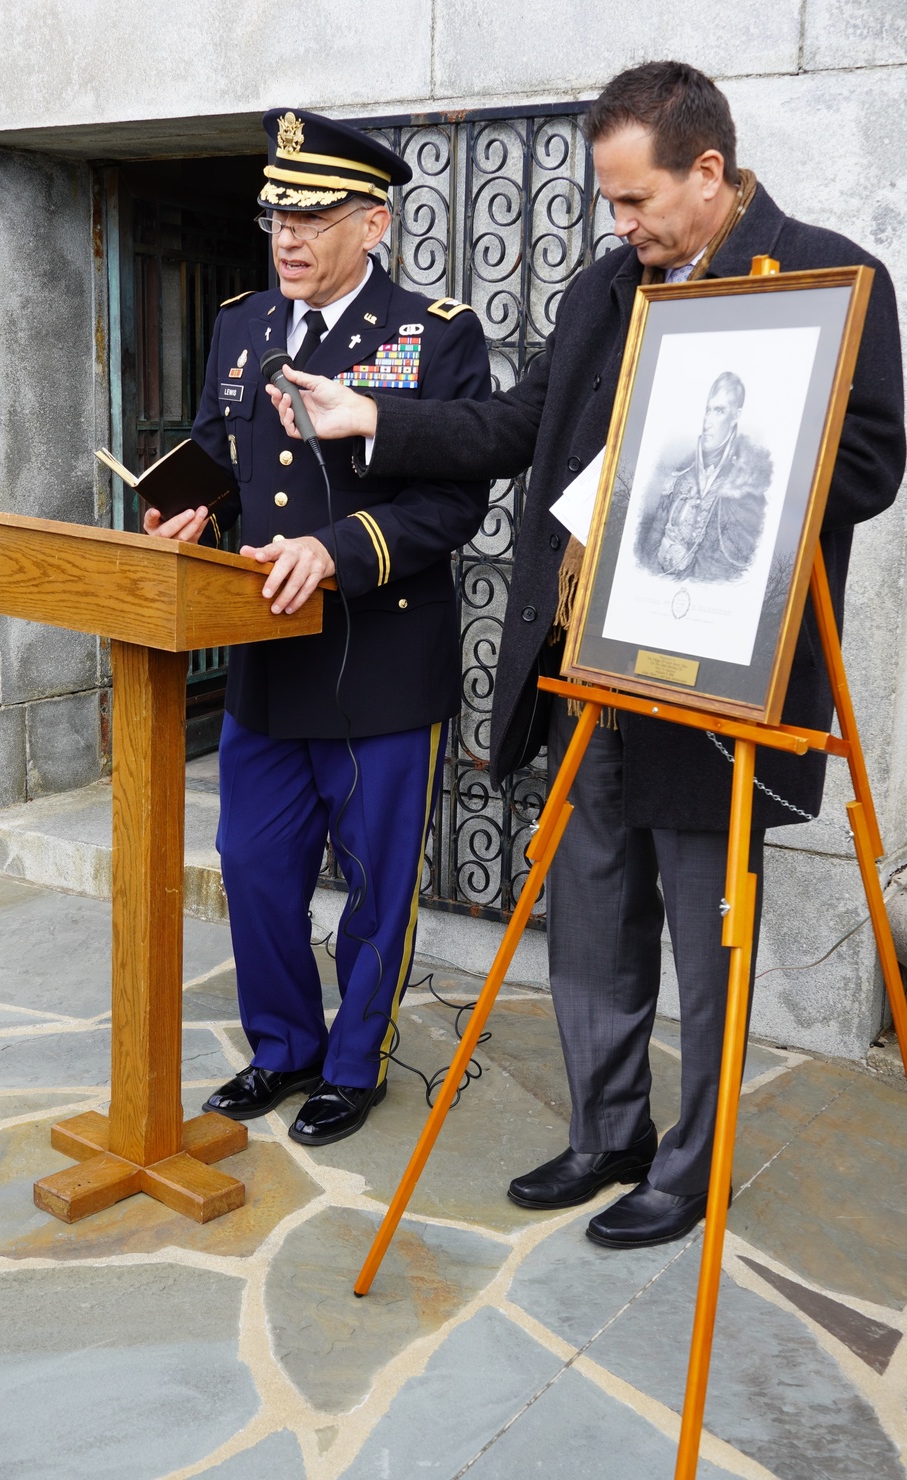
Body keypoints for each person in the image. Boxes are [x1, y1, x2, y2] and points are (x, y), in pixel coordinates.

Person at [267, 63, 905, 1240]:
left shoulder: (826, 278)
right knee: (593, 915)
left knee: (708, 946)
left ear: (707, 173)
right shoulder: (608, 286)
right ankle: (605, 1134)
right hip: (588, 662)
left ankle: (690, 1161)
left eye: (635, 201)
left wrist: (706, 471)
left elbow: (869, 464)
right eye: (608, 205)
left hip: (719, 675)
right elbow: (520, 424)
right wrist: (376, 420)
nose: (619, 227)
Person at [145, 108, 491, 1145]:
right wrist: (188, 502)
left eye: (313, 215)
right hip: (266, 659)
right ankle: (285, 1046)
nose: (286, 237)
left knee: (378, 885)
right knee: (253, 866)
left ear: (373, 224)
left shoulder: (434, 332)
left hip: (382, 660)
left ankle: (352, 1063)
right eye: (273, 214)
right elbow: (217, 443)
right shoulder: (242, 325)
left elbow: (453, 504)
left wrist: (336, 551)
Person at [637, 371, 772, 582]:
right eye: (707, 410)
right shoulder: (681, 470)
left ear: (735, 416)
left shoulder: (746, 487)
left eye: (719, 411)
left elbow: (728, 569)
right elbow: (651, 538)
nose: (708, 421)